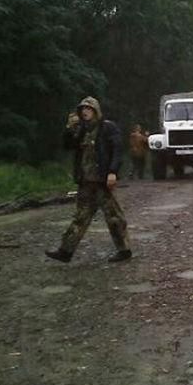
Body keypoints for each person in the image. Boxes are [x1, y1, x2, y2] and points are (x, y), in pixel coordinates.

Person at [45, 96, 132, 263]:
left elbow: (117, 150)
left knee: (114, 217)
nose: (85, 112)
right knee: (81, 217)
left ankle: (124, 250)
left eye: (88, 108)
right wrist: (69, 129)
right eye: (82, 109)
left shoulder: (107, 128)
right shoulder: (81, 130)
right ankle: (65, 251)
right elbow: (67, 146)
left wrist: (113, 172)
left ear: (96, 110)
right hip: (85, 181)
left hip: (101, 181)